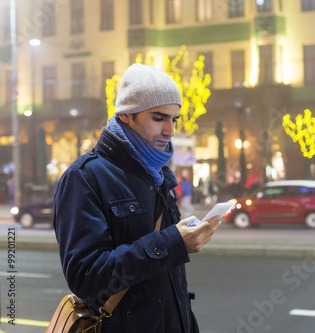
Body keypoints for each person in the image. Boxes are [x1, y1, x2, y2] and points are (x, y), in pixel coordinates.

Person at [53, 63, 221, 332]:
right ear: (126, 116)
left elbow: (169, 284)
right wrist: (171, 242)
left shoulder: (158, 174)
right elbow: (86, 276)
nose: (170, 130)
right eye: (159, 118)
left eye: (174, 119)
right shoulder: (84, 177)